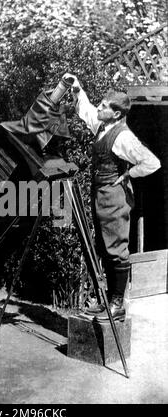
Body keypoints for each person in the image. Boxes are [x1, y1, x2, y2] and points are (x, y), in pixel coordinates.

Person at [62, 73, 161, 321]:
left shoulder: (124, 136)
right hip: (101, 194)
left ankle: (117, 304)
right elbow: (86, 112)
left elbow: (152, 162)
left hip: (115, 197)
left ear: (116, 114)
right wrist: (77, 88)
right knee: (104, 247)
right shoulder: (103, 127)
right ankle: (105, 300)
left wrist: (129, 174)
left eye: (105, 106)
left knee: (116, 249)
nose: (100, 108)